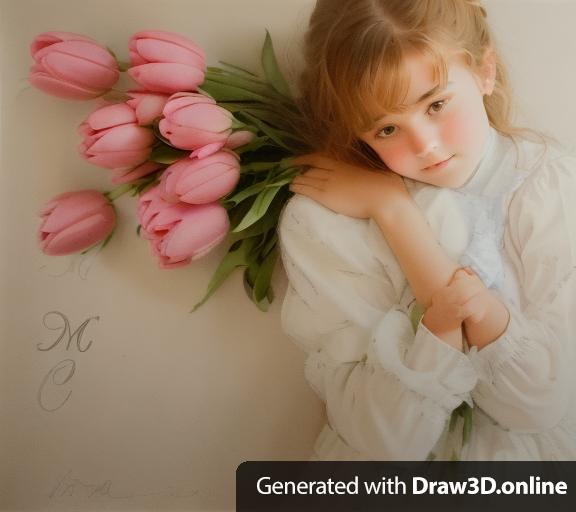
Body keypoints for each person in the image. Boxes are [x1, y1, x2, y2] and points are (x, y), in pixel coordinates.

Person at [278, 0, 576, 460]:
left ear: (485, 72)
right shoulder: (323, 220)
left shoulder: (546, 186)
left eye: (436, 104)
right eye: (386, 129)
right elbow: (384, 440)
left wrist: (397, 217)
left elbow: (536, 405)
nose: (425, 145)